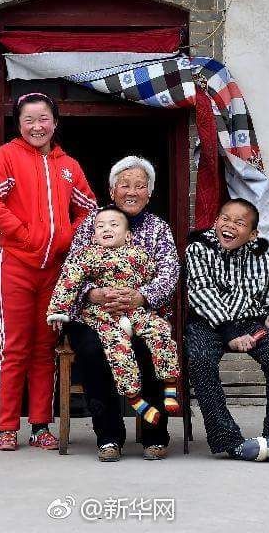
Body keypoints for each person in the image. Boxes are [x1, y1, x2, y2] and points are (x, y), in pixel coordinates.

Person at [0, 92, 97, 451]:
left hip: (54, 270)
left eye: (43, 119)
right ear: (19, 124)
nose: (36, 126)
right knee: (14, 347)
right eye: (28, 120)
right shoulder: (8, 156)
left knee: (45, 348)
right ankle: (6, 426)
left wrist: (67, 237)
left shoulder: (68, 165)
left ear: (55, 123)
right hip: (16, 264)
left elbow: (89, 210)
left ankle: (41, 425)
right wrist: (23, 234)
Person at [63, 156, 179, 462]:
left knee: (149, 344)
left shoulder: (158, 228)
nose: (131, 192)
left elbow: (169, 273)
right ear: (112, 190)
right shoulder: (94, 223)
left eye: (140, 186)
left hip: (141, 311)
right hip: (94, 314)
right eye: (124, 185)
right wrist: (94, 294)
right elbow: (71, 270)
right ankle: (109, 436)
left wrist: (141, 296)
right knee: (92, 349)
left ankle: (155, 435)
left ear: (149, 194)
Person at [185, 198, 269, 461]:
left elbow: (261, 305)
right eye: (225, 219)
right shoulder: (198, 249)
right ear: (215, 222)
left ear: (253, 234)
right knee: (201, 360)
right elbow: (202, 293)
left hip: (246, 323)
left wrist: (267, 319)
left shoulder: (264, 260)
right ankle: (230, 441)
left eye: (239, 223)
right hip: (205, 321)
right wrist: (230, 334)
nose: (229, 226)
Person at [46, 206, 180, 426]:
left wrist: (146, 299)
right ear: (93, 236)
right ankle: (135, 399)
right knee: (118, 348)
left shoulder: (139, 255)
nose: (106, 229)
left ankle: (170, 385)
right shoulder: (87, 256)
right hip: (104, 316)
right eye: (100, 227)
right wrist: (59, 310)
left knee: (160, 331)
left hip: (135, 311)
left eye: (113, 225)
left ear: (128, 236)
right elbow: (69, 280)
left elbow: (159, 277)